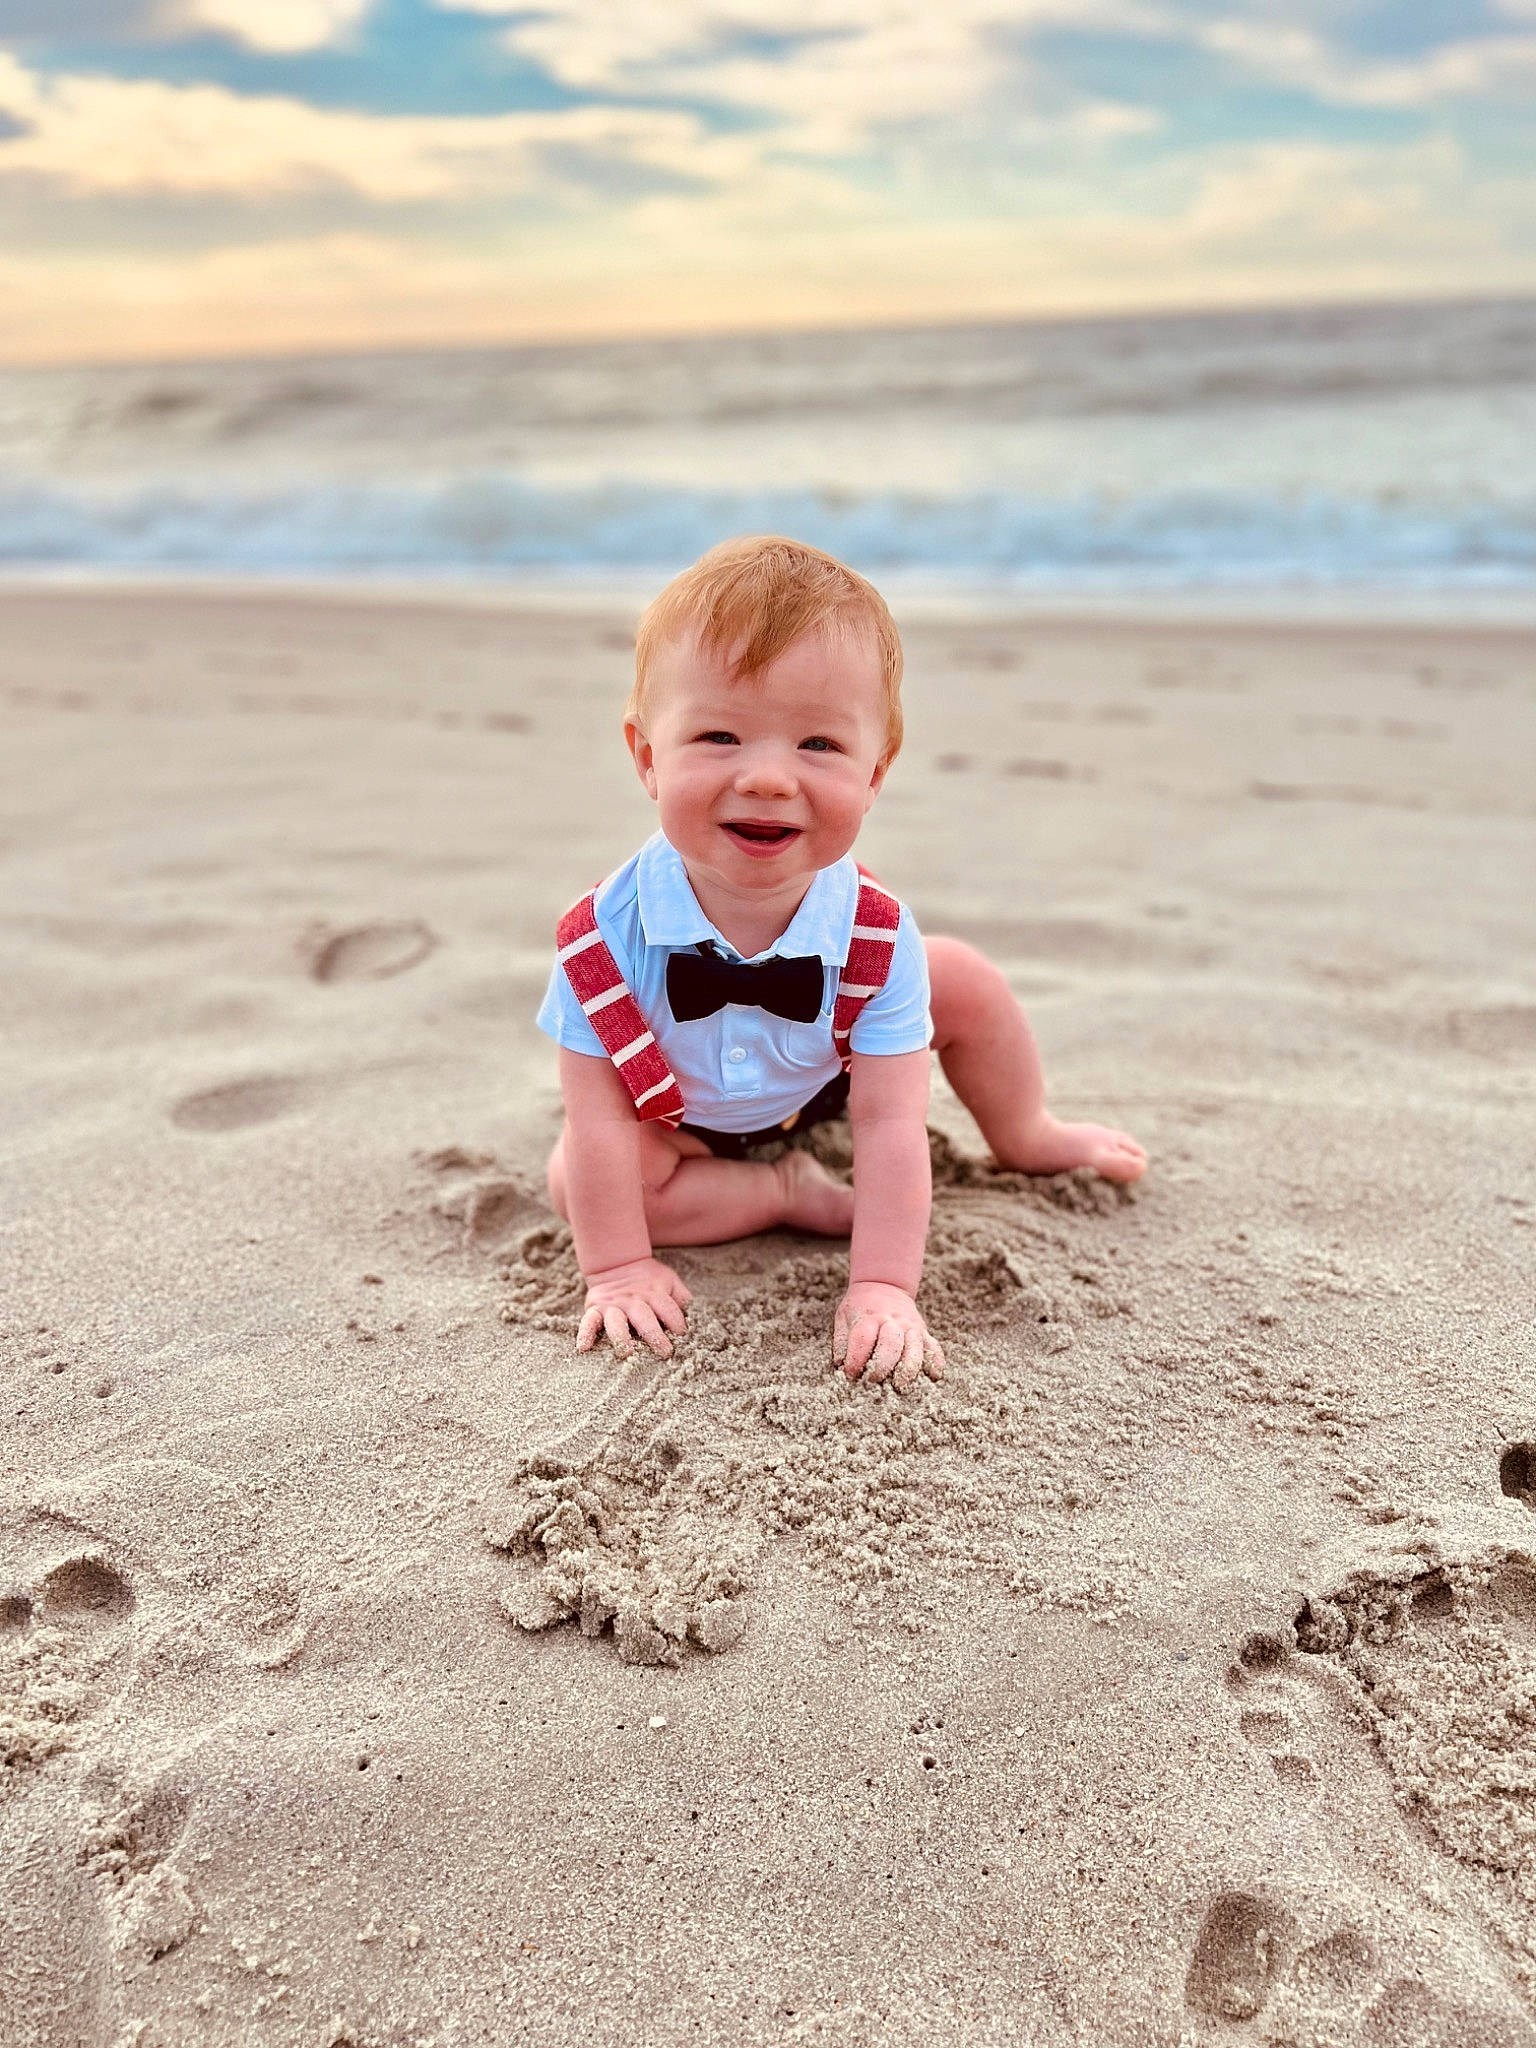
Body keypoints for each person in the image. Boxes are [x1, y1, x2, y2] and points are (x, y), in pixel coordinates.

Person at [538, 536, 1145, 1393]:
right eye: (719, 735)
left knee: (961, 976)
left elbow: (890, 1126)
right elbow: (598, 1122)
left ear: (875, 774)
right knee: (580, 1184)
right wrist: (617, 1270)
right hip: (675, 1111)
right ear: (647, 756)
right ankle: (783, 1192)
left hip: (827, 1066)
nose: (770, 778)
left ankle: (1028, 1132)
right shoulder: (602, 939)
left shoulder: (875, 934)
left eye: (819, 745)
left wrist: (883, 1285)